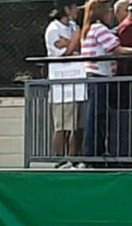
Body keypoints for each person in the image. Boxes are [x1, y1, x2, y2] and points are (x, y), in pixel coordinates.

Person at [81, 0, 132, 160]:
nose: (110, 14)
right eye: (107, 10)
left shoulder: (90, 29)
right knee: (97, 117)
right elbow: (116, 49)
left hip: (96, 78)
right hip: (100, 77)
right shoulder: (99, 29)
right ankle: (93, 154)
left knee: (97, 115)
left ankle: (94, 153)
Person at [46, 1, 87, 164]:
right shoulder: (53, 29)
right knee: (62, 125)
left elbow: (77, 47)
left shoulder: (72, 26)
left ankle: (74, 158)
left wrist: (71, 41)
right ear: (67, 9)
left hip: (78, 80)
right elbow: (66, 52)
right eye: (75, 7)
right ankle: (60, 160)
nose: (78, 10)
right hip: (62, 82)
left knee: (77, 126)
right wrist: (74, 40)